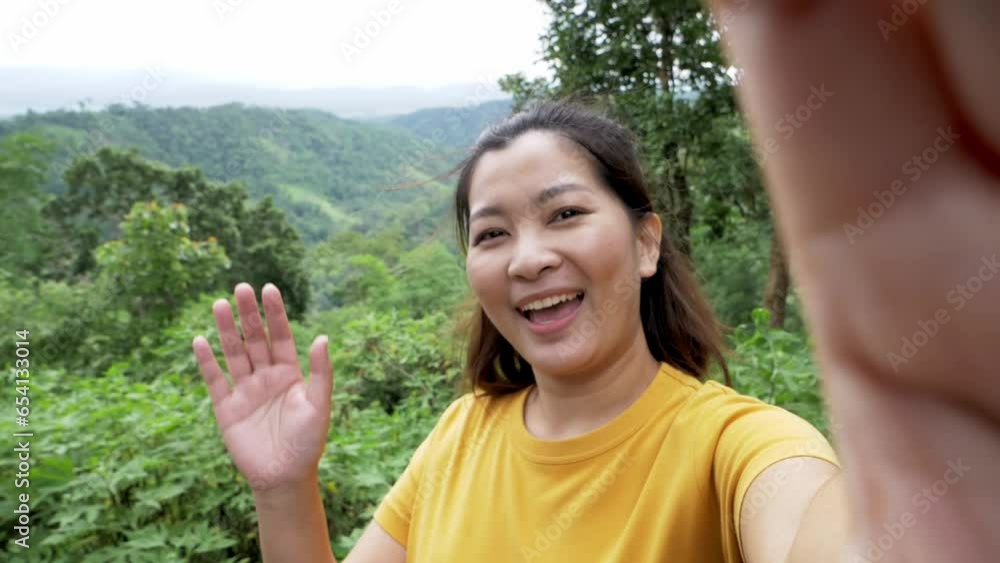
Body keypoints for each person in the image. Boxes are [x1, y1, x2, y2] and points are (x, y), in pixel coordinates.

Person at [192, 1, 999, 561]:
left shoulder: (738, 449)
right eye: (493, 233)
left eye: (566, 214)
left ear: (647, 241)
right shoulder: (459, 435)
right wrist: (283, 485)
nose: (528, 257)